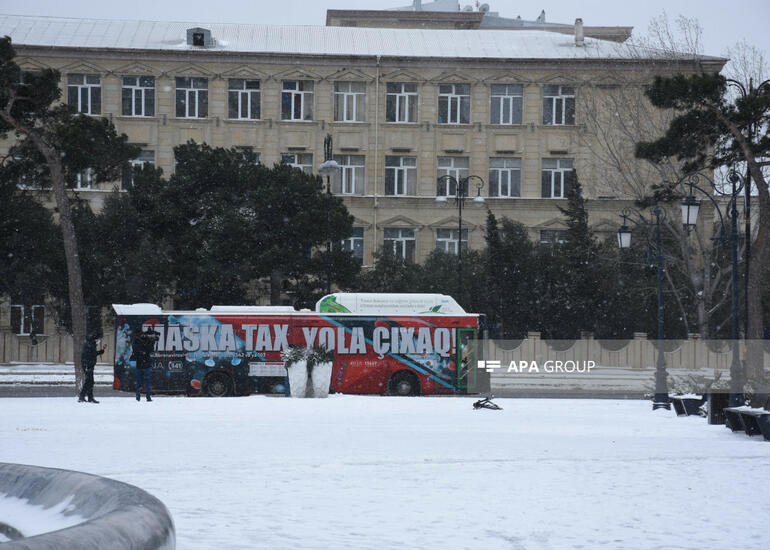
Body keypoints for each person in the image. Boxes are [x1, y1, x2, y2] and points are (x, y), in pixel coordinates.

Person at [133, 325, 159, 402]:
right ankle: (144, 397)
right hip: (144, 364)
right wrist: (150, 342)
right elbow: (148, 350)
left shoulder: (139, 341)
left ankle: (141, 397)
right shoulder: (139, 341)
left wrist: (151, 341)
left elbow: (149, 350)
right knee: (145, 382)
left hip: (142, 364)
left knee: (142, 382)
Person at [78, 331, 105, 403]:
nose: (99, 341)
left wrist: (101, 351)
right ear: (95, 339)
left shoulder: (91, 344)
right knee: (89, 381)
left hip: (89, 365)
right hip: (88, 366)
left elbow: (93, 354)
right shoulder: (90, 344)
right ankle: (83, 396)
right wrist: (87, 365)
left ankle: (88, 397)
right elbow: (91, 354)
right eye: (98, 339)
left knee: (90, 382)